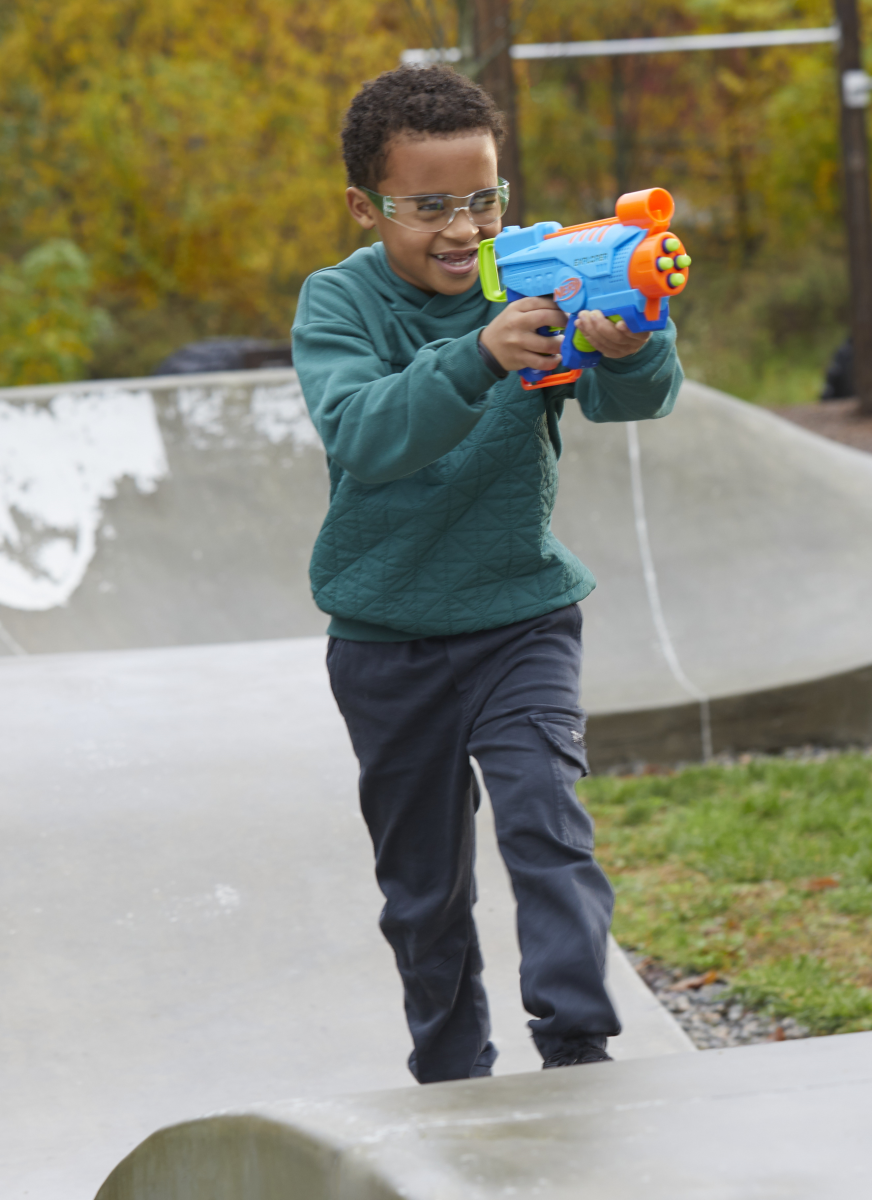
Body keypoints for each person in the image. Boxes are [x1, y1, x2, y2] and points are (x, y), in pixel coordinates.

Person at [291, 65, 683, 1083]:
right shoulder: (339, 302)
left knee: (547, 821)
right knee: (424, 888)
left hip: (522, 613)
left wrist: (630, 341)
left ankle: (578, 1043)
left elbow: (633, 400)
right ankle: (452, 1066)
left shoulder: (539, 268)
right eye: (429, 207)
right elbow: (364, 434)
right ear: (366, 207)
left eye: (483, 198)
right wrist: (479, 355)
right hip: (387, 637)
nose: (463, 229)